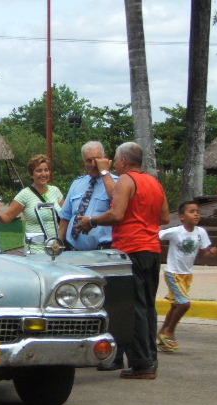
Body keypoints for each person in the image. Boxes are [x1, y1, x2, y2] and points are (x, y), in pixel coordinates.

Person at [78, 141, 170, 380]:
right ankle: (150, 359)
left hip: (132, 248)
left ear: (124, 161)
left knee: (133, 308)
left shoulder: (127, 180)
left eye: (116, 160)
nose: (114, 164)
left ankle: (141, 364)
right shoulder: (154, 182)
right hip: (152, 249)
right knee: (148, 306)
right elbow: (164, 217)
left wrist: (92, 221)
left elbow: (117, 214)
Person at [157, 200, 217, 351]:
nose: (196, 214)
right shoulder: (176, 231)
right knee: (184, 304)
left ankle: (162, 334)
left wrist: (211, 253)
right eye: (192, 212)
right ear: (182, 217)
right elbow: (157, 235)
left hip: (187, 275)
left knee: (176, 305)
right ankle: (170, 331)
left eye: (197, 212)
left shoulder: (201, 232)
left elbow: (204, 253)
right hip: (173, 273)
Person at [0, 154, 63, 244]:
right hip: (35, 247)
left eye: (46, 170)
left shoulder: (55, 191)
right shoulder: (24, 194)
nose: (43, 174)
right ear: (32, 174)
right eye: (39, 171)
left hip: (55, 246)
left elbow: (66, 216)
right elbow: (6, 218)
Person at [58, 141, 117, 250]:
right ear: (83, 162)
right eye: (89, 160)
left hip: (103, 251)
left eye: (97, 159)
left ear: (105, 159)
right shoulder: (77, 184)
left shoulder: (116, 183)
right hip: (73, 250)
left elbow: (117, 200)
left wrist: (104, 172)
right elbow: (65, 218)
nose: (94, 164)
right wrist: (58, 245)